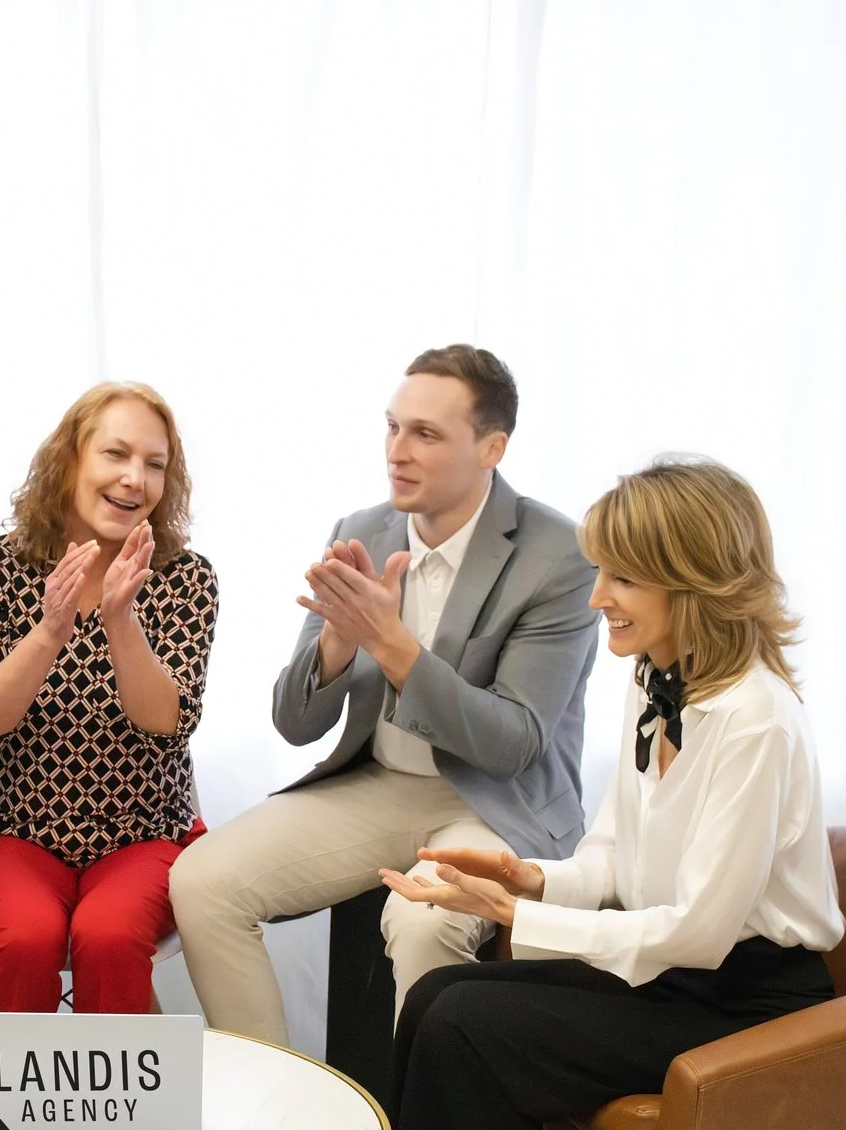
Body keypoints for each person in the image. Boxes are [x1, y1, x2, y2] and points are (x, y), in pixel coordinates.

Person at [373, 456, 845, 1130]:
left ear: (693, 580)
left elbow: (699, 933)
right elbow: (617, 859)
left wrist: (517, 916)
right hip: (677, 972)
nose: (597, 600)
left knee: (469, 1024)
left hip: (746, 1001)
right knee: (441, 998)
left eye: (620, 577)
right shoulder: (658, 679)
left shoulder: (756, 721)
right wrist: (524, 878)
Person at [168, 345, 600, 1045]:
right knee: (202, 883)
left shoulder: (561, 555)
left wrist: (392, 643)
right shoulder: (360, 530)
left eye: (425, 434)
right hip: (379, 786)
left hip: (493, 804)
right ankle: (279, 1108)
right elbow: (295, 724)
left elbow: (514, 743)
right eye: (392, 427)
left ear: (492, 447)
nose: (397, 451)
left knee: (422, 921)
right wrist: (339, 643)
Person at [0, 383, 219, 1014]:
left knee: (108, 936)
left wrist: (122, 623)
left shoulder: (185, 577)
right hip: (13, 828)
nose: (135, 479)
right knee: (26, 936)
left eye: (155, 465)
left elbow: (168, 726)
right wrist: (49, 632)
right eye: (116, 455)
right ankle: (9, 1111)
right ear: (70, 460)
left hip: (144, 831)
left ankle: (122, 1116)